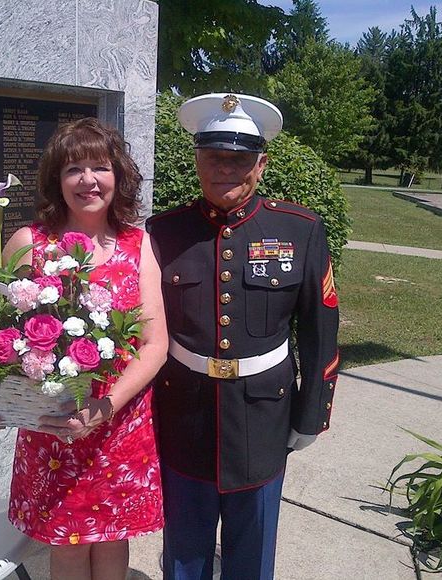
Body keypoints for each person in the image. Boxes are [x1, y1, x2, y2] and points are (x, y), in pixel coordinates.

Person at [0, 117, 168, 580]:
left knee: (112, 539)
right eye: (73, 169)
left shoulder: (138, 245)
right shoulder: (30, 244)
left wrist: (104, 407)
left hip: (118, 421)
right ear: (57, 181)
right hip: (54, 426)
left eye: (100, 167)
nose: (88, 180)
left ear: (118, 175)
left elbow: (155, 344)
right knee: (66, 543)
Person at [146, 93, 340, 580]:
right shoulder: (163, 232)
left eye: (239, 159)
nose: (225, 169)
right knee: (184, 551)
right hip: (184, 415)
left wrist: (312, 413)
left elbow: (320, 331)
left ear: (261, 164)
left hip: (263, 417)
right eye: (214, 156)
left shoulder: (299, 229)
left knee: (252, 552)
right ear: (197, 161)